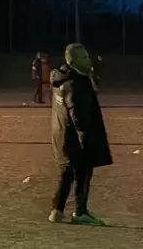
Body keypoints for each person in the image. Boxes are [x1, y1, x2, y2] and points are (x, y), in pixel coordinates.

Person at [48, 43, 113, 226]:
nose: (88, 60)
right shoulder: (76, 82)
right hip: (74, 136)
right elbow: (77, 111)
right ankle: (80, 211)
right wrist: (85, 137)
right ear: (73, 61)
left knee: (67, 172)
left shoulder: (60, 78)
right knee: (83, 172)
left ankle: (57, 210)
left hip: (61, 133)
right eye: (84, 57)